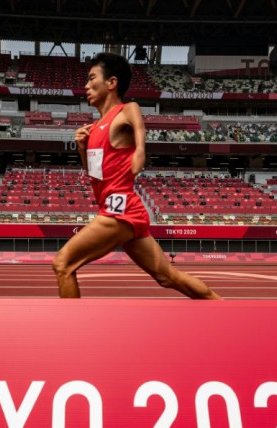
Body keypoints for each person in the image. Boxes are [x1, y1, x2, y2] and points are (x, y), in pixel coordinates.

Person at [52, 52, 221, 299]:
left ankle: (72, 333)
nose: (85, 86)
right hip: (122, 211)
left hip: (118, 209)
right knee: (167, 277)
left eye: (91, 78)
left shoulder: (126, 110)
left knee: (63, 264)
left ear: (112, 82)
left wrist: (141, 151)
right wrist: (82, 148)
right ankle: (219, 304)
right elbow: (94, 175)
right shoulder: (95, 127)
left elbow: (139, 127)